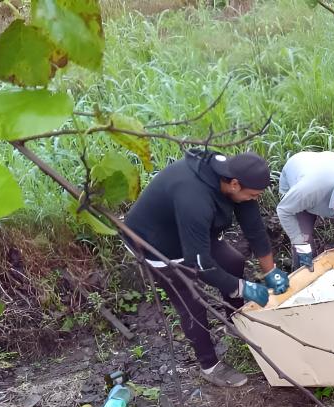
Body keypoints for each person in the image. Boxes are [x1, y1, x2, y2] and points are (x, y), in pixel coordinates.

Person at [124, 149, 289, 388]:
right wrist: (245, 289)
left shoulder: (237, 182)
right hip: (156, 242)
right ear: (234, 185)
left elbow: (255, 230)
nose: (254, 199)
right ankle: (209, 366)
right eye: (252, 195)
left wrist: (271, 272)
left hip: (192, 231)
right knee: (192, 301)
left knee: (232, 261)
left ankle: (235, 322)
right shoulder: (194, 197)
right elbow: (200, 264)